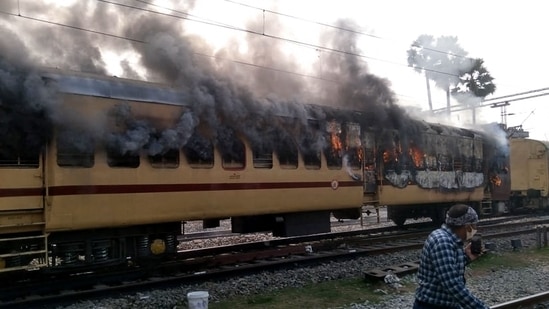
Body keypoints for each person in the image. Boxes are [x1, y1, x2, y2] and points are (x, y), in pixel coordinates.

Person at [413, 204, 489, 309]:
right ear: (467, 226)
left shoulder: (450, 239)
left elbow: (446, 267)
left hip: (444, 303)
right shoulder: (443, 242)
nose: (475, 229)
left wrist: (466, 257)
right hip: (433, 306)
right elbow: (452, 285)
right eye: (475, 225)